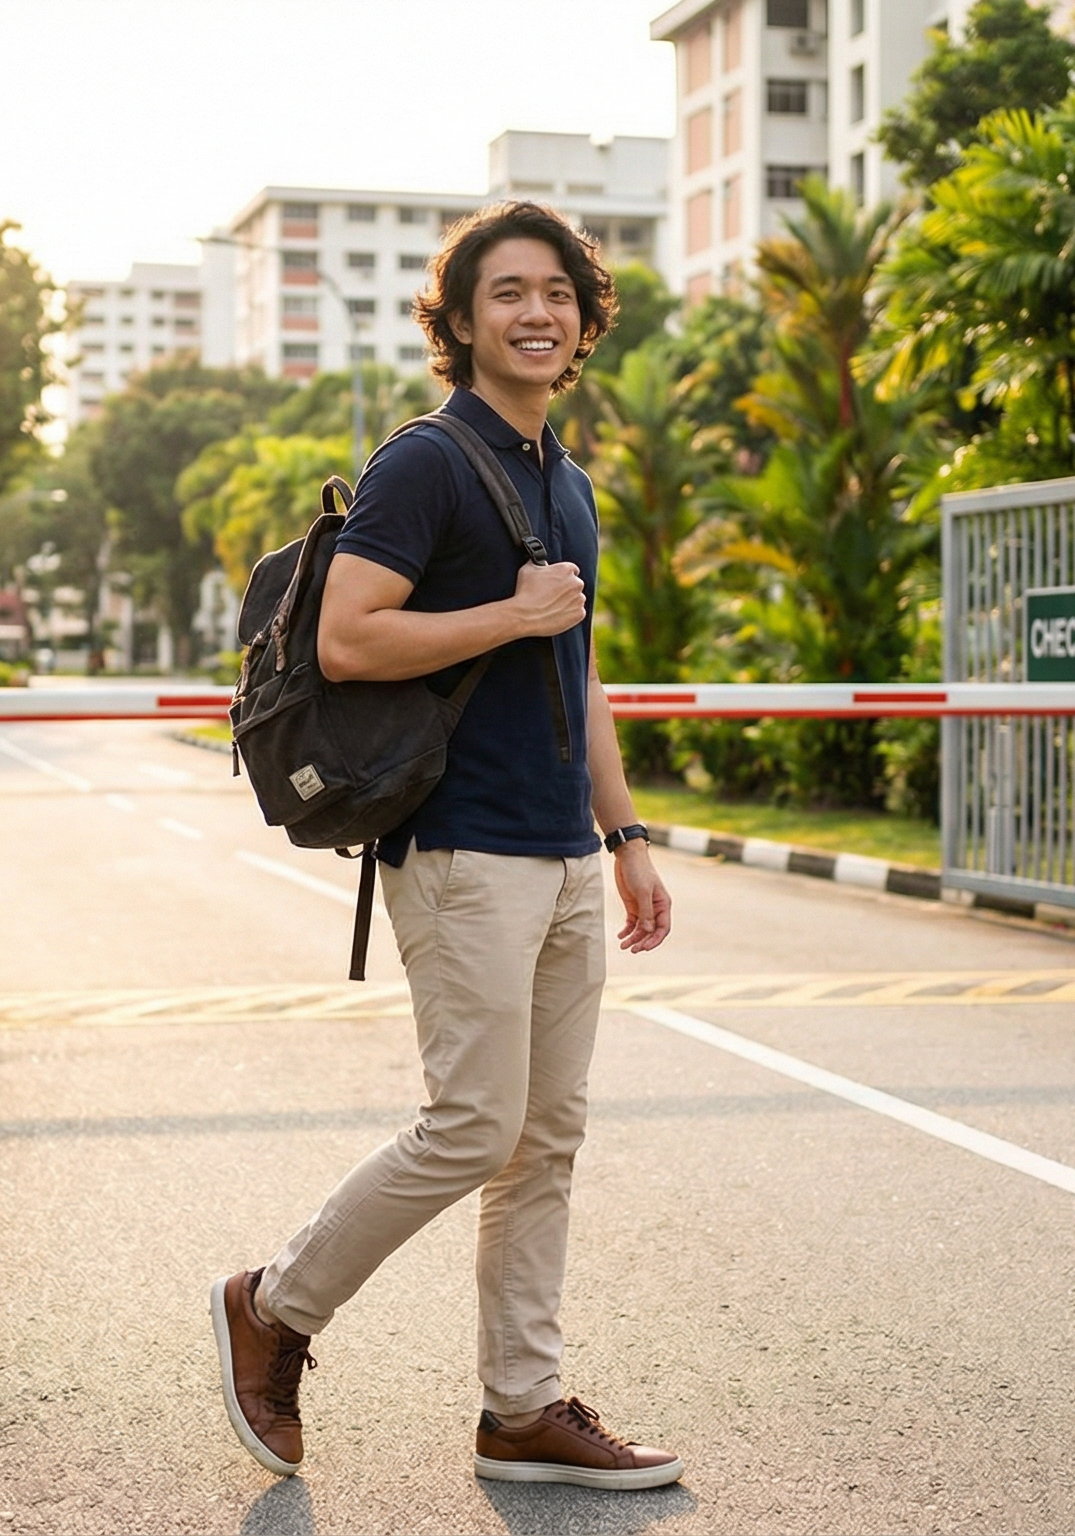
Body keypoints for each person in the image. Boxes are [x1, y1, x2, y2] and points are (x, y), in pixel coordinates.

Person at [211, 201, 681, 1490]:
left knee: (547, 1141)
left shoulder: (567, 480)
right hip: (461, 848)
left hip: (564, 856)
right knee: (475, 1124)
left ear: (585, 321)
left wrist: (624, 833)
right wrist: (509, 610)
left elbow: (577, 668)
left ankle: (521, 1410)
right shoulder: (424, 461)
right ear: (462, 321)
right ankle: (275, 1304)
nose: (537, 313)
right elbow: (350, 638)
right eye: (507, 293)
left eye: (558, 294)